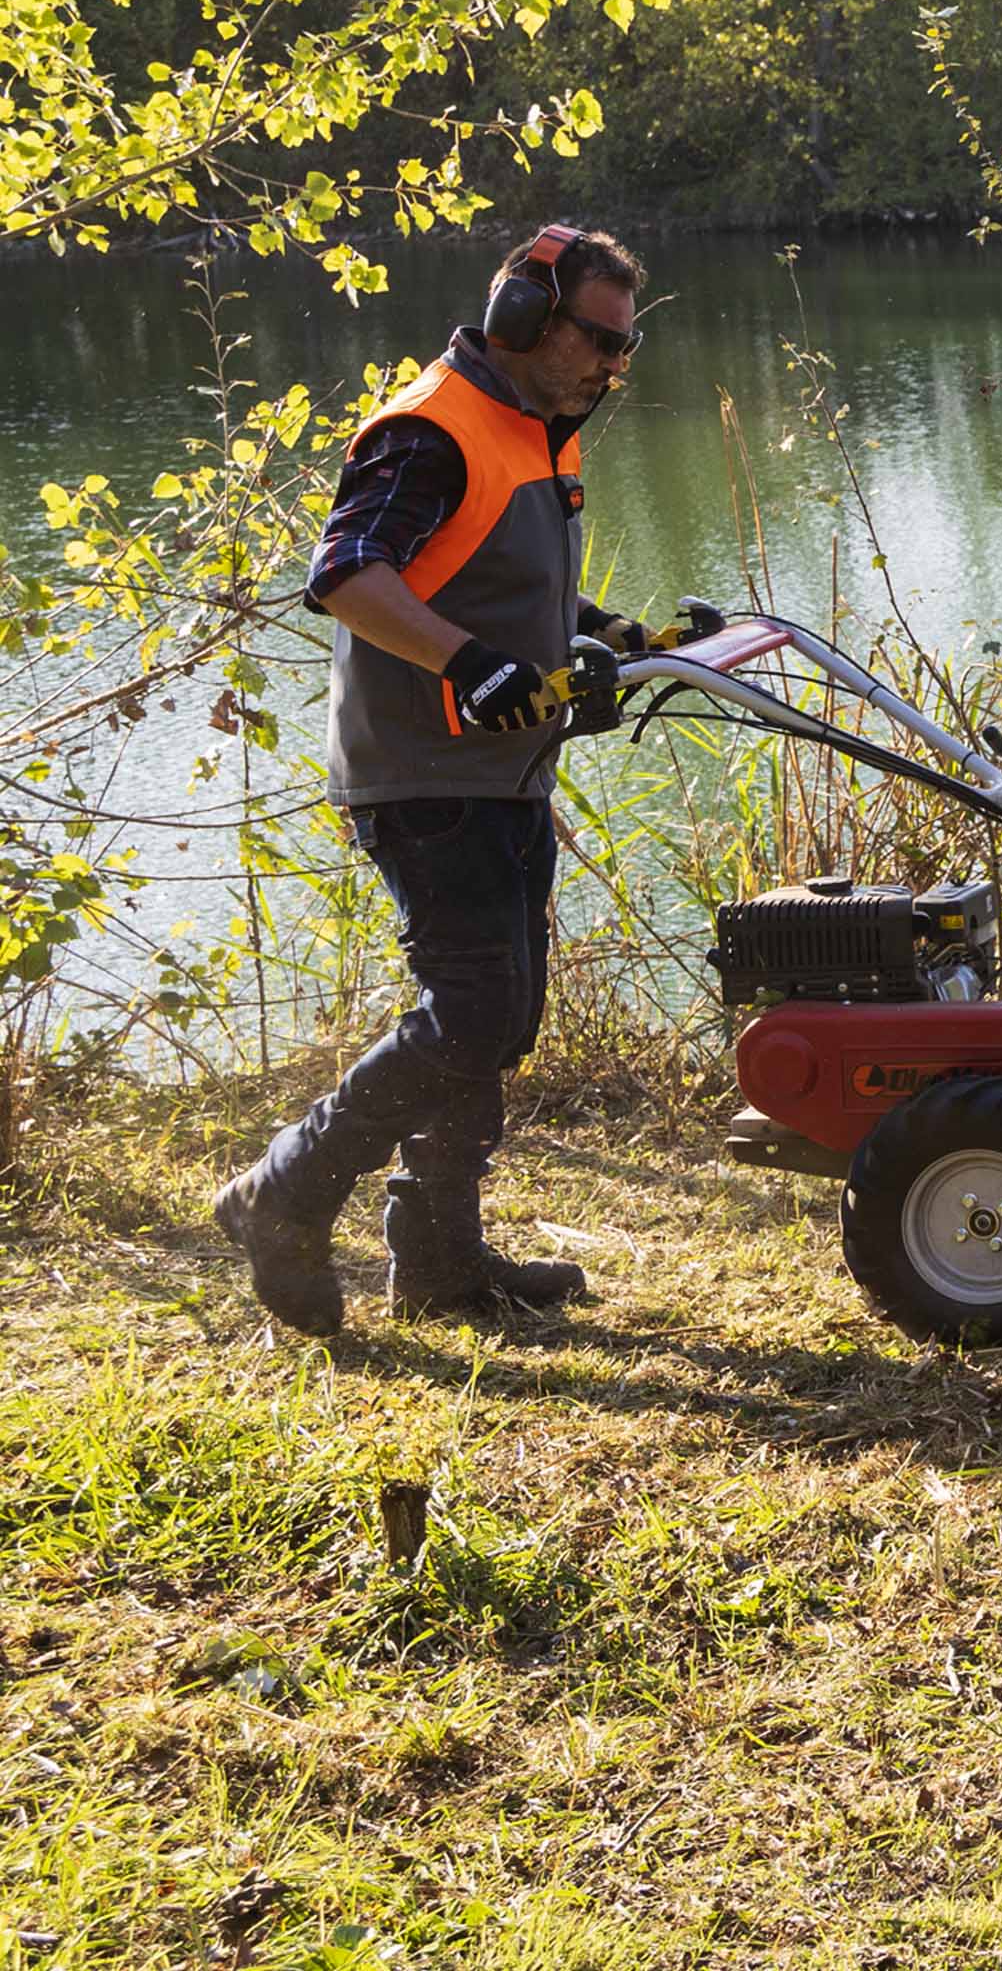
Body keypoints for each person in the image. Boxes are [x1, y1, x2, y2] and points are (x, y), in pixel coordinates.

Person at [213, 224, 658, 1335]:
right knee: (472, 1008)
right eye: (600, 341)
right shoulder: (431, 429)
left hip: (502, 769)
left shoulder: (533, 429)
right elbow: (347, 574)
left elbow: (483, 572)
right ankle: (283, 1192)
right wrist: (467, 664)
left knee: (500, 1018)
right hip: (421, 768)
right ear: (524, 317)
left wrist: (610, 631)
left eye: (627, 346)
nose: (615, 366)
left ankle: (439, 1260)